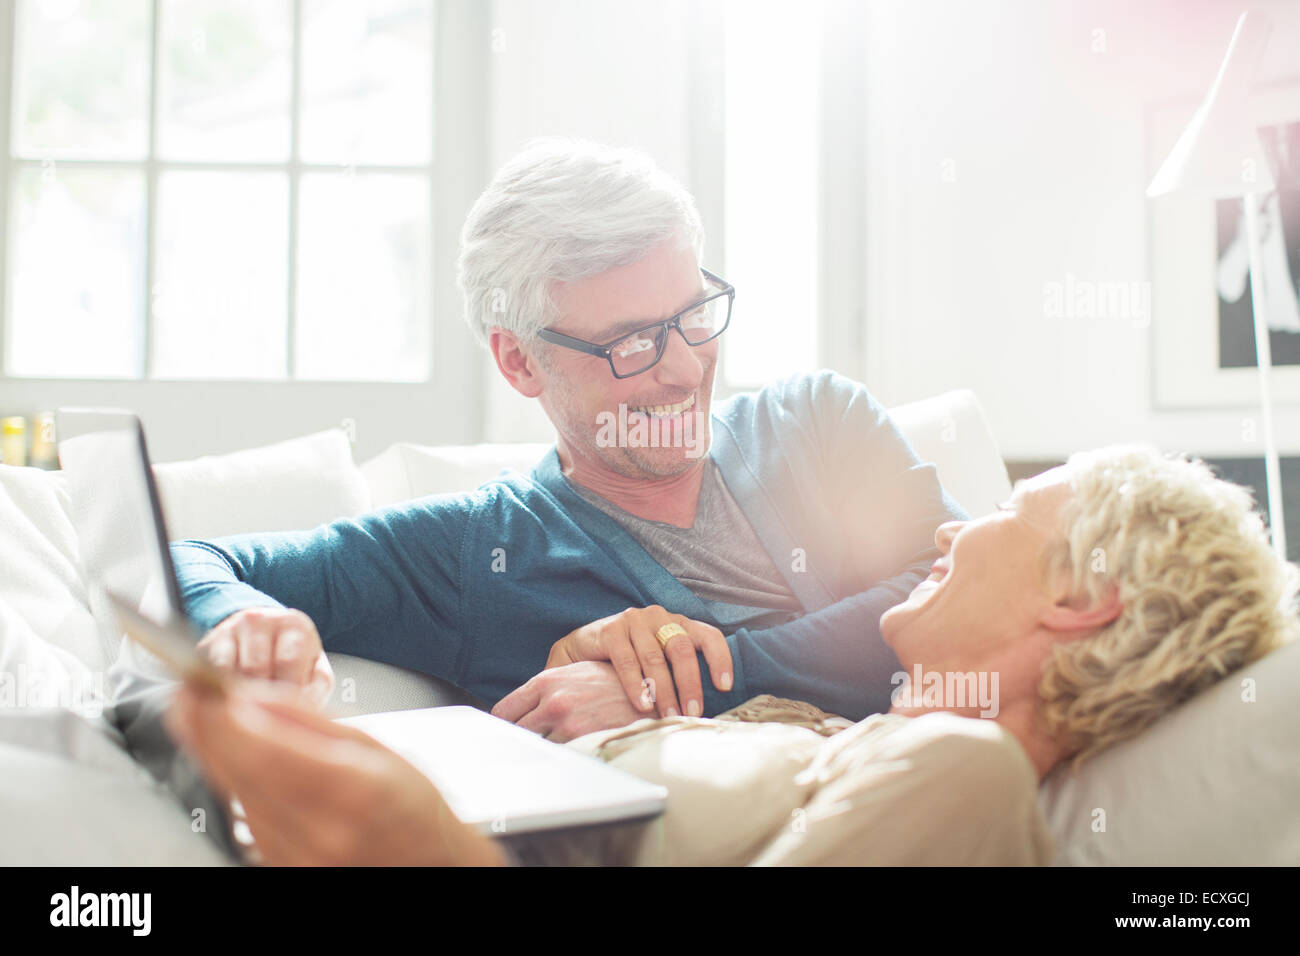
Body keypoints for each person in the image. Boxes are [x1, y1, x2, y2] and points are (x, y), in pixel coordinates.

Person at [162, 136, 963, 737]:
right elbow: (192, 562)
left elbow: (954, 599)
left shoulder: (817, 423)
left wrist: (688, 682)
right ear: (520, 362)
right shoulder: (480, 553)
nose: (683, 368)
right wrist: (241, 621)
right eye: (632, 343)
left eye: (693, 316)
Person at [164, 445, 1298, 865]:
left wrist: (417, 846)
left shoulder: (968, 769)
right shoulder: (857, 739)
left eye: (1009, 506)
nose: (952, 529)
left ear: (1078, 598)